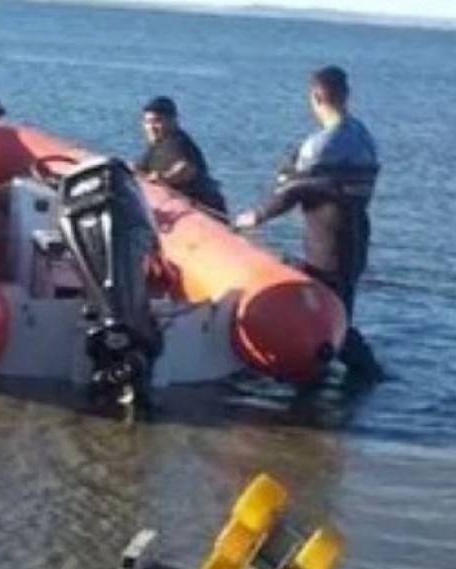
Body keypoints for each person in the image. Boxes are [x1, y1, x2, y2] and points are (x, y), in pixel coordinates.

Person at [233, 66, 381, 380]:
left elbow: (292, 191)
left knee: (330, 316)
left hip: (326, 241)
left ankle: (357, 377)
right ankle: (354, 381)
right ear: (346, 95)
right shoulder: (363, 135)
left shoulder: (320, 145)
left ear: (315, 97)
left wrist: (255, 216)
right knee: (341, 309)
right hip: (356, 236)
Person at [134, 96, 227, 216]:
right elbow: (139, 170)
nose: (151, 127)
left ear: (172, 121)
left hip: (203, 211)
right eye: (147, 122)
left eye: (157, 121)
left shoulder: (177, 143)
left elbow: (186, 168)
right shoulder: (156, 145)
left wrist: (163, 178)